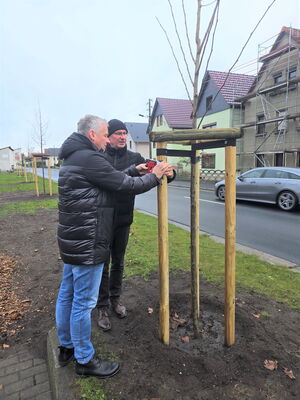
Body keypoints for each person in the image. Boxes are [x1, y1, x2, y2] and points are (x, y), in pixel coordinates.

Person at [55, 115, 172, 378]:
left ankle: (66, 347)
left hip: (73, 239)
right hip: (89, 240)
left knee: (67, 295)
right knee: (83, 303)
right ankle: (85, 360)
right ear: (92, 134)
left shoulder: (75, 156)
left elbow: (109, 179)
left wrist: (134, 169)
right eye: (106, 133)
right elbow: (124, 185)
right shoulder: (89, 157)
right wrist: (154, 175)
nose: (109, 139)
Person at [96, 119, 175, 331]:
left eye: (124, 133)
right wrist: (132, 171)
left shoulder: (135, 157)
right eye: (117, 133)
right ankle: (102, 307)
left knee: (118, 262)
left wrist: (169, 172)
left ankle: (115, 300)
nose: (122, 137)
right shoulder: (99, 157)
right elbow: (110, 182)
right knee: (102, 265)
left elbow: (155, 170)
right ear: (108, 136)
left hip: (123, 219)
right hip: (101, 221)